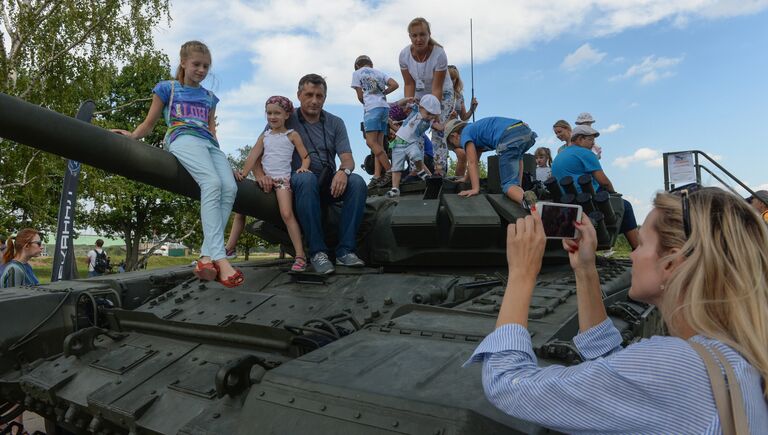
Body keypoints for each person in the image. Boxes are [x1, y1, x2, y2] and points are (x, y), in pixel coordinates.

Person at [466, 186, 768, 433]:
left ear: (672, 263)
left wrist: (521, 273)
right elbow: (616, 368)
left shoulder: (678, 367)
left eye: (642, 243)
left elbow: (508, 384)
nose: (633, 254)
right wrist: (586, 270)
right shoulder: (732, 354)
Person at [112, 40, 243, 287]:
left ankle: (206, 257)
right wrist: (132, 135)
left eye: (206, 66)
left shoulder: (210, 98)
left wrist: (223, 161)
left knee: (230, 187)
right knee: (212, 183)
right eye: (196, 64)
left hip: (208, 145)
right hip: (181, 138)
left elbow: (212, 131)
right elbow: (150, 123)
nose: (201, 70)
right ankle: (220, 258)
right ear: (183, 63)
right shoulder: (167, 88)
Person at [252, 74, 367, 275]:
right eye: (309, 95)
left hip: (329, 181)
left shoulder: (335, 123)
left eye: (319, 96)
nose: (314, 100)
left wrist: (343, 171)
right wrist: (260, 175)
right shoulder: (285, 117)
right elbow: (257, 153)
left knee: (356, 182)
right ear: (299, 95)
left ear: (325, 97)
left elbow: (348, 159)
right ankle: (317, 252)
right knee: (305, 178)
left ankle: (345, 250)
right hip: (296, 182)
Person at [241, 96, 311, 272]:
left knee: (287, 214)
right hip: (265, 178)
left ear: (287, 114)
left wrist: (303, 167)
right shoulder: (264, 136)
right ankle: (228, 249)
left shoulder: (292, 135)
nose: (272, 117)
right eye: (269, 113)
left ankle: (300, 255)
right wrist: (243, 173)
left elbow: (305, 156)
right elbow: (253, 156)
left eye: (277, 113)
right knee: (241, 208)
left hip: (281, 180)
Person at [552, 124, 639, 249]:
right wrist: (614, 194)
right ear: (580, 139)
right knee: (624, 206)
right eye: (591, 139)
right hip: (587, 200)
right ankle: (638, 248)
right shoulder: (585, 153)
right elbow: (604, 182)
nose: (593, 143)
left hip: (567, 202)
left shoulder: (560, 155)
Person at [399, 17, 453, 176]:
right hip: (420, 95)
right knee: (415, 128)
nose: (418, 39)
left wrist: (434, 116)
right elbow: (409, 84)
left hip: (442, 94)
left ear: (429, 34)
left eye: (422, 34)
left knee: (437, 129)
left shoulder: (439, 54)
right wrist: (409, 106)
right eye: (414, 35)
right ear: (410, 37)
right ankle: (416, 169)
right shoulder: (404, 55)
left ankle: (439, 169)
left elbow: (437, 88)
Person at [444, 117, 537, 205]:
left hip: (509, 136)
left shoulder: (464, 135)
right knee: (517, 158)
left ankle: (532, 207)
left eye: (454, 145)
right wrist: (466, 178)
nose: (459, 147)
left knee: (508, 185)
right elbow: (475, 159)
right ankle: (519, 191)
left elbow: (472, 162)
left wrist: (475, 189)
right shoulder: (474, 130)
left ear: (454, 136)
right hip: (524, 130)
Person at [351, 55, 399, 188]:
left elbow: (360, 96)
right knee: (379, 145)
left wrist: (367, 103)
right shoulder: (379, 73)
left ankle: (390, 171)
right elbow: (395, 85)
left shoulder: (357, 73)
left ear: (357, 66)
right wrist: (383, 93)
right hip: (384, 108)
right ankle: (377, 175)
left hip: (372, 109)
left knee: (370, 142)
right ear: (370, 64)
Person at [385, 95, 442, 198]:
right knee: (397, 166)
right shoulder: (415, 110)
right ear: (421, 108)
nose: (429, 116)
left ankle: (421, 172)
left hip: (411, 143)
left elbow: (440, 127)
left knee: (417, 156)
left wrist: (449, 119)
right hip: (399, 142)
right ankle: (395, 188)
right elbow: (399, 105)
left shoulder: (430, 121)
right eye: (428, 113)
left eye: (432, 115)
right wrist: (407, 100)